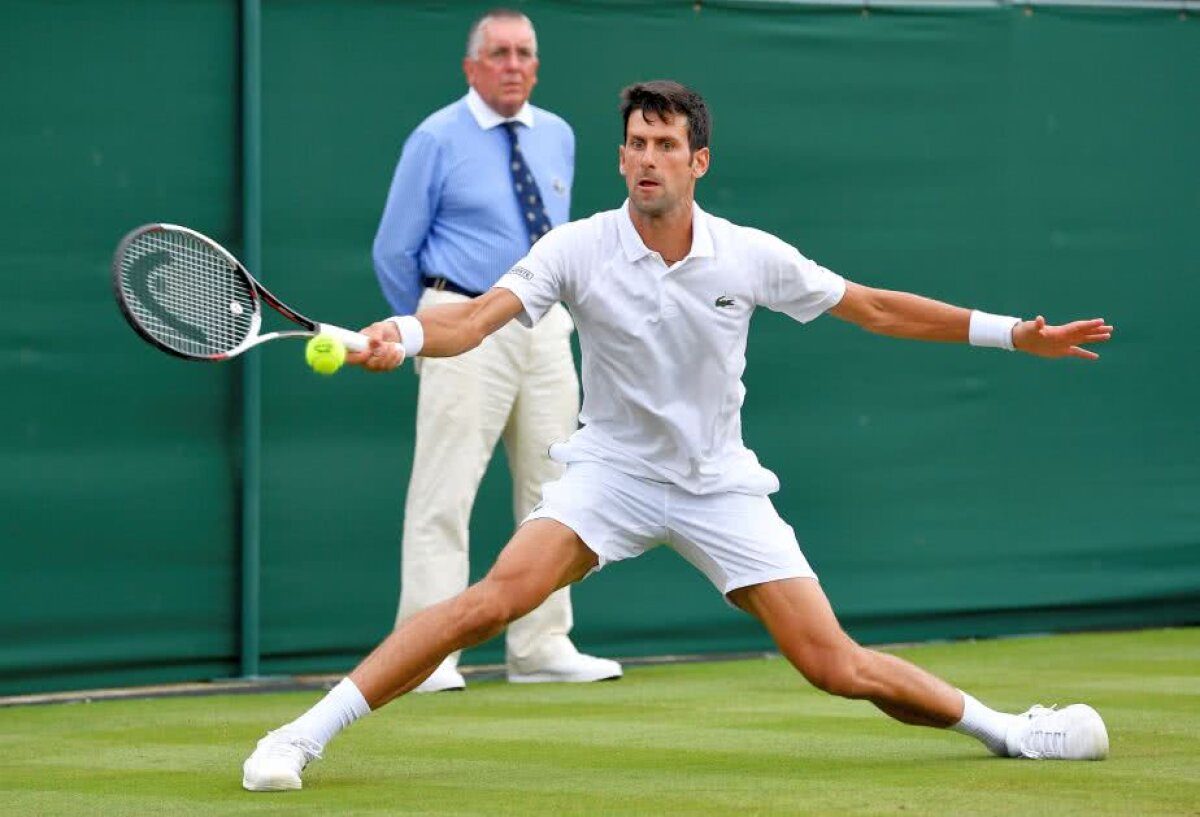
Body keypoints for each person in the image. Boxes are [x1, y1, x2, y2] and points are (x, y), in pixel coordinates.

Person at [242, 80, 1114, 792]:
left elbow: (876, 307)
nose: (648, 158)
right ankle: (299, 734)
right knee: (492, 600)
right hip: (611, 474)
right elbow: (475, 319)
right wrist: (407, 333)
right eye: (637, 143)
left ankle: (1011, 730)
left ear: (698, 161)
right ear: (621, 157)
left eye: (666, 144)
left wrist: (1013, 334)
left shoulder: (749, 254)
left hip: (717, 481)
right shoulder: (576, 247)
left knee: (834, 664)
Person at [371, 8, 621, 692]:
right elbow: (394, 250)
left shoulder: (559, 135)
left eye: (524, 53)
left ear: (536, 66)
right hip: (459, 318)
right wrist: (426, 329)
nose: (513, 65)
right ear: (471, 66)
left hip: (544, 324)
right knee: (445, 489)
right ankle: (424, 653)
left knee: (556, 488)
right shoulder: (436, 137)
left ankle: (540, 645)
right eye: (499, 53)